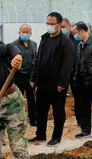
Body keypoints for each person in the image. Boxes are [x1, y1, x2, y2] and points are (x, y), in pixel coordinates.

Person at [29, 12, 75, 146]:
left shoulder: (65, 42)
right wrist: (33, 77)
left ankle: (56, 136)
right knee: (41, 110)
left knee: (58, 112)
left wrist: (63, 83)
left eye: (51, 24)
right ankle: (40, 134)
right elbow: (37, 59)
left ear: (59, 25)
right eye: (47, 23)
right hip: (42, 81)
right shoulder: (44, 39)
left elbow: (68, 64)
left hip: (56, 84)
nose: (48, 26)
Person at [12, 24, 37, 127]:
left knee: (32, 100)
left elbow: (35, 59)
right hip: (18, 77)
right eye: (23, 32)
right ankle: (19, 121)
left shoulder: (34, 45)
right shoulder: (13, 45)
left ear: (31, 33)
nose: (25, 34)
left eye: (27, 32)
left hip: (30, 77)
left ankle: (33, 120)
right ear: (19, 32)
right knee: (18, 100)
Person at [69, 21, 82, 127]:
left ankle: (80, 120)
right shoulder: (60, 40)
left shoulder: (77, 41)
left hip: (76, 72)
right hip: (64, 73)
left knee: (78, 96)